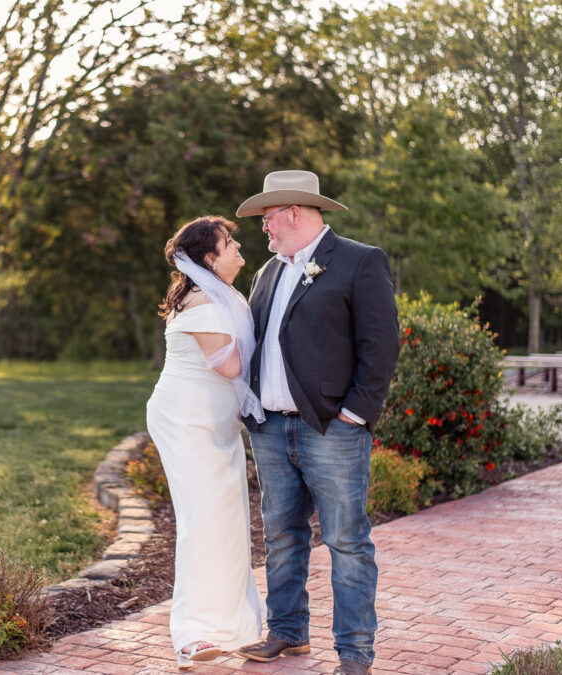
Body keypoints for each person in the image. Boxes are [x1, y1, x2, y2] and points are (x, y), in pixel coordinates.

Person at [233, 170, 400, 675]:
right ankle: (287, 631)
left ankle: (354, 654)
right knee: (281, 535)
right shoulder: (269, 273)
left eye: (267, 219)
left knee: (347, 541)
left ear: (294, 212)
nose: (264, 229)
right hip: (271, 428)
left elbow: (382, 344)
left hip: (332, 428)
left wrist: (356, 413)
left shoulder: (358, 261)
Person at [146, 215, 266, 670]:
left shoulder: (222, 295)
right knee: (202, 521)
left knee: (229, 520)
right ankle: (190, 634)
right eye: (228, 242)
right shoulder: (203, 302)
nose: (238, 247)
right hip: (186, 421)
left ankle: (234, 626)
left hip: (216, 425)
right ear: (208, 258)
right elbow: (232, 368)